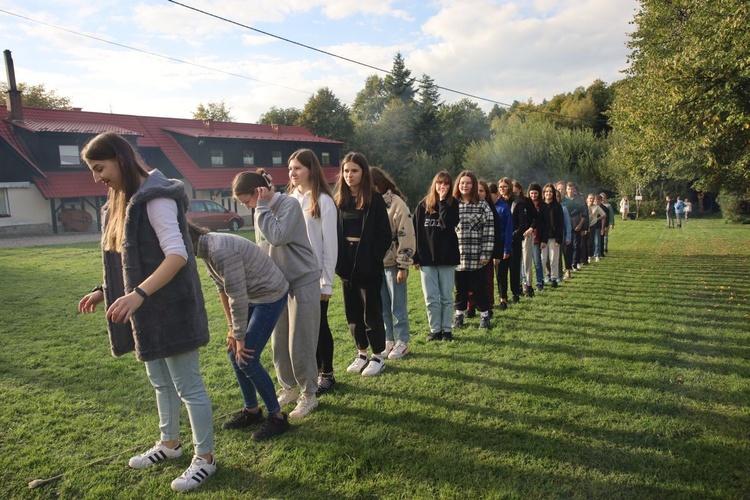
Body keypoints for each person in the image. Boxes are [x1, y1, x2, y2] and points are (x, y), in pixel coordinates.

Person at [77, 132, 215, 493]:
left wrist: (138, 294)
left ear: (120, 159)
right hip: (147, 313)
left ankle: (205, 458)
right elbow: (129, 261)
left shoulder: (156, 199)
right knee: (160, 382)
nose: (97, 178)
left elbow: (177, 255)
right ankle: (170, 444)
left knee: (189, 386)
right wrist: (104, 290)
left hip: (173, 310)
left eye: (99, 168)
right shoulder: (121, 201)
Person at [189, 222, 290, 440]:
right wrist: (232, 330)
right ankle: (252, 411)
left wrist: (240, 336)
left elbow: (237, 296)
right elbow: (222, 289)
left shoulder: (219, 250)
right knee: (233, 354)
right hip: (252, 295)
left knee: (247, 358)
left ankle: (278, 418)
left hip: (269, 294)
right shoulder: (205, 250)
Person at [233, 169, 321, 419]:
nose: (246, 206)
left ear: (258, 191)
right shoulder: (260, 210)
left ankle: (309, 395)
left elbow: (277, 237)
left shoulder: (288, 204)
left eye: (245, 201)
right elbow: (263, 248)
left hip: (303, 279)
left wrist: (260, 207)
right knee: (279, 342)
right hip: (276, 286)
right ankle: (288, 389)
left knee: (300, 342)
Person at [334, 152, 392, 375]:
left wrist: (372, 259)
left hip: (368, 264)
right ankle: (361, 353)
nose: (349, 175)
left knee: (372, 312)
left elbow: (384, 236)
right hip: (346, 264)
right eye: (346, 171)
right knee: (353, 312)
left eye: (354, 170)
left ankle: (378, 356)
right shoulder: (339, 199)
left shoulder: (374, 200)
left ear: (363, 172)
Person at [287, 149, 338, 396]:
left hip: (315, 277)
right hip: (291, 276)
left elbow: (330, 246)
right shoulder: (289, 199)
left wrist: (326, 283)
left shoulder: (324, 201)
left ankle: (326, 374)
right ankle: (308, 374)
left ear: (310, 169)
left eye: (297, 168)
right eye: (290, 168)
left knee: (319, 327)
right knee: (300, 331)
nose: (292, 173)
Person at [371, 167, 415, 360]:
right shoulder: (370, 203)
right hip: (376, 263)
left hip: (394, 263)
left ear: (377, 183)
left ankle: (402, 341)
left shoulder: (397, 204)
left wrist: (403, 265)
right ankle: (389, 339)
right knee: (382, 305)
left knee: (397, 305)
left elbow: (406, 235)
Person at [413, 171, 460, 342]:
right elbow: (415, 232)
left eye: (446, 184)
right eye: (440, 183)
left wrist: (442, 202)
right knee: (431, 298)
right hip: (427, 260)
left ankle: (447, 330)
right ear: (434, 184)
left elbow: (448, 223)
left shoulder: (452, 204)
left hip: (447, 258)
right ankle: (435, 330)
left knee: (447, 297)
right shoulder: (422, 205)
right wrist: (415, 258)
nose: (443, 186)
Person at [452, 170, 495, 330]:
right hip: (458, 257)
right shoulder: (452, 204)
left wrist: (486, 253)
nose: (465, 185)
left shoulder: (482, 205)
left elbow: (489, 231)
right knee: (459, 290)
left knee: (479, 289)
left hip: (477, 257)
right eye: (462, 183)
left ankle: (484, 317)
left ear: (473, 185)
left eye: (468, 183)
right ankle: (458, 316)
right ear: (458, 185)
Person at [492, 178, 514, 310]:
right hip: (488, 246)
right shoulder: (486, 207)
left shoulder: (504, 208)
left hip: (501, 246)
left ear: (496, 194)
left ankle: (503, 299)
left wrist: (506, 249)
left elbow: (508, 230)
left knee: (501, 273)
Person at [515, 181, 538, 297]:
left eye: (515, 189)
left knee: (526, 261)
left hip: (526, 234)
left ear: (520, 189)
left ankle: (529, 286)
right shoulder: (511, 202)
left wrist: (531, 228)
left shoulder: (526, 201)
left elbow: (536, 218)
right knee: (516, 262)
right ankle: (518, 285)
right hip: (515, 236)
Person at [540, 183, 565, 288]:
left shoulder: (557, 206)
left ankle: (554, 278)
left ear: (553, 193)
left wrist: (559, 237)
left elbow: (560, 222)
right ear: (543, 193)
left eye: (550, 191)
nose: (548, 193)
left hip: (554, 236)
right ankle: (541, 278)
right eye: (546, 191)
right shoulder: (540, 205)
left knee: (554, 259)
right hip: (542, 237)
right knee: (542, 259)